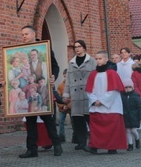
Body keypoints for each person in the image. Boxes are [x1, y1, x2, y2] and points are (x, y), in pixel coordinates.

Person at [18, 26, 62, 158]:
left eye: (26, 34)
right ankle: (32, 149)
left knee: (47, 118)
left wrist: (53, 76)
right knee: (30, 120)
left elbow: (55, 66)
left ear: (33, 34)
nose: (24, 36)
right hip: (30, 91)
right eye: (22, 34)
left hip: (44, 89)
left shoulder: (45, 47)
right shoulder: (22, 52)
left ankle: (57, 144)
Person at [83, 51, 127, 154]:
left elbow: (113, 91)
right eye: (96, 59)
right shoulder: (93, 74)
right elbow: (89, 90)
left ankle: (112, 148)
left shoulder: (112, 73)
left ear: (106, 59)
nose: (98, 60)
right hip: (96, 106)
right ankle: (94, 147)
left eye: (100, 58)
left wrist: (102, 101)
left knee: (112, 128)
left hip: (111, 106)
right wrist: (94, 100)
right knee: (96, 129)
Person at [63, 40, 96, 150]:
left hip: (87, 94)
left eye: (79, 46)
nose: (77, 49)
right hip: (76, 95)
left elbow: (96, 77)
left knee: (89, 119)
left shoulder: (91, 61)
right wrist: (66, 94)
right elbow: (68, 79)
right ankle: (82, 142)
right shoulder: (71, 62)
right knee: (77, 120)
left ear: (84, 48)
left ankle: (93, 142)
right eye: (75, 47)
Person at [121, 84, 141, 151]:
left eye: (129, 87)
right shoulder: (122, 96)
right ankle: (130, 144)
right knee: (128, 131)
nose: (128, 89)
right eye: (126, 87)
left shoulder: (136, 96)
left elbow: (140, 108)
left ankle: (137, 139)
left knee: (133, 130)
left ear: (132, 88)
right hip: (126, 116)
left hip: (134, 116)